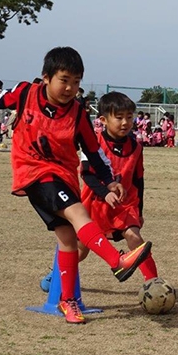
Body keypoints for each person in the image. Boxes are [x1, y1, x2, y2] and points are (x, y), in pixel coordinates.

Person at [0, 46, 151, 324]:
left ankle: (67, 302)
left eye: (76, 82)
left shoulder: (78, 114)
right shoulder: (27, 92)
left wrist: (110, 181)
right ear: (46, 78)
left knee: (67, 241)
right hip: (34, 172)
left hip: (63, 176)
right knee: (79, 214)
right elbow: (0, 99)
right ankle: (117, 261)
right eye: (64, 80)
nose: (70, 88)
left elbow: (93, 152)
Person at [40, 92, 159, 293]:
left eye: (129, 117)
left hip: (124, 206)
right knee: (80, 250)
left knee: (135, 238)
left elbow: (139, 181)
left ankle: (154, 283)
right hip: (94, 203)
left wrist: (138, 211)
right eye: (119, 117)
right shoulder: (92, 142)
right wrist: (105, 192)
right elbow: (87, 175)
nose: (125, 123)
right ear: (103, 120)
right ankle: (57, 275)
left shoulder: (137, 147)